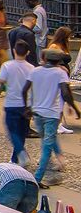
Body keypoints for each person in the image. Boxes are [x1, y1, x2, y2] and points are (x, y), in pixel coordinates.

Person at [26, 54, 70, 184]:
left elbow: (25, 89)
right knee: (47, 144)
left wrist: (27, 106)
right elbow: (65, 93)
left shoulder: (35, 71)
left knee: (47, 140)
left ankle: (61, 160)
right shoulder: (60, 73)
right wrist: (74, 107)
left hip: (38, 112)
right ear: (58, 61)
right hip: (52, 113)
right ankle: (38, 178)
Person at [0, 39, 38, 167]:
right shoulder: (32, 68)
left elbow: (0, 85)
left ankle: (21, 154)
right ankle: (15, 158)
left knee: (12, 131)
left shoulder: (7, 66)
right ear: (28, 52)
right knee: (22, 132)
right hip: (26, 104)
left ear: (14, 51)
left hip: (11, 103)